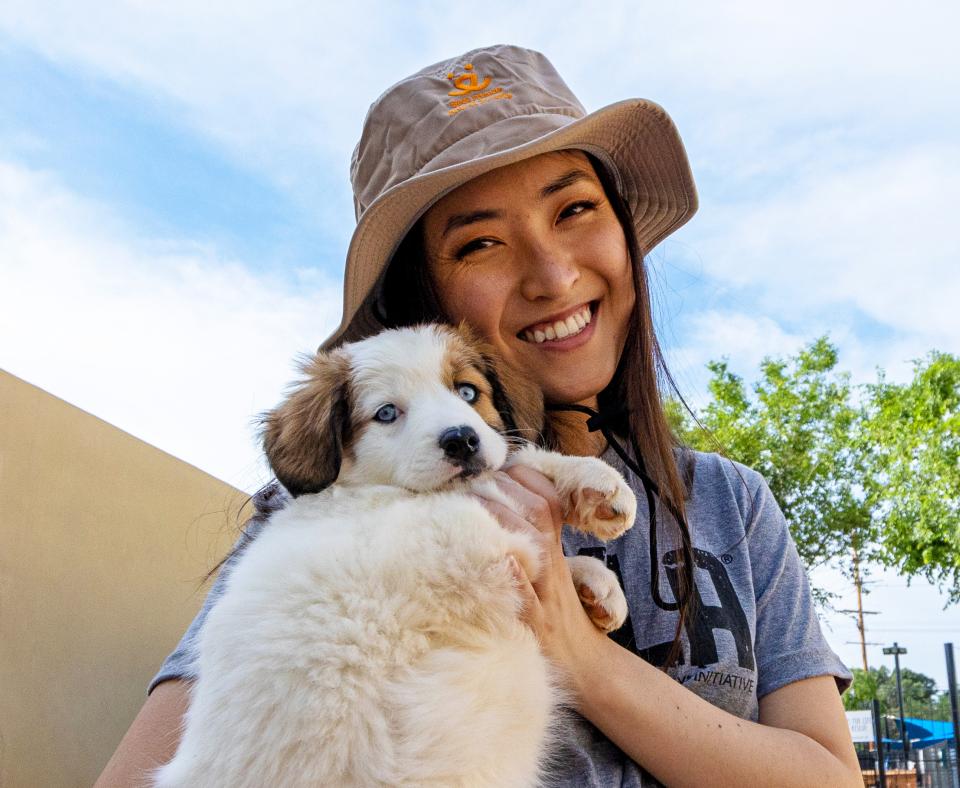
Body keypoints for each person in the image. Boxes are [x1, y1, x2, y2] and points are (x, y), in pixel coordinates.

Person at [97, 45, 860, 787]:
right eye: (482, 242)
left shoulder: (731, 504)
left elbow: (828, 777)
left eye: (575, 208)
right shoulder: (321, 512)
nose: (553, 275)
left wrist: (577, 650)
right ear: (419, 299)